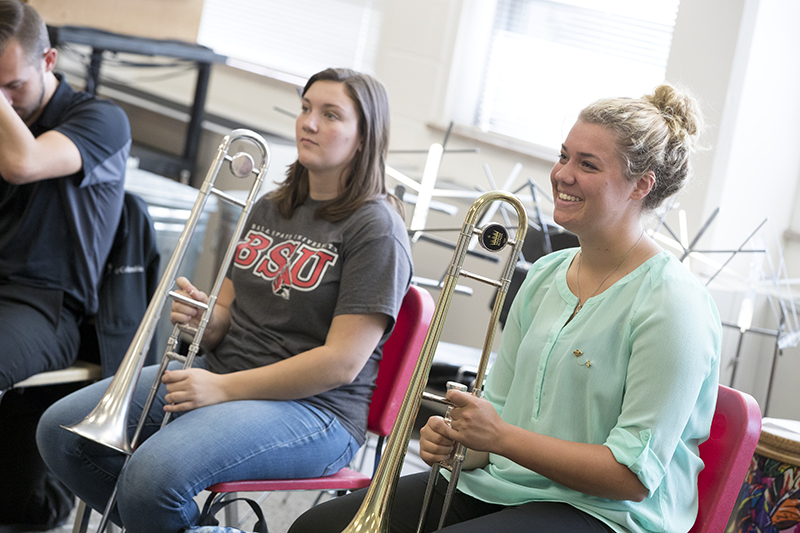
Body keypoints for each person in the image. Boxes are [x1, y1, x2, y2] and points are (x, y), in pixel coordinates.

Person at [289, 84, 721, 533]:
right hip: (504, 486)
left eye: (587, 164)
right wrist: (461, 440)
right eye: (564, 156)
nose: (562, 174)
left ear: (642, 185)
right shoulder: (546, 274)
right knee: (316, 527)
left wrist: (500, 437)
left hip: (606, 514)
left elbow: (630, 476)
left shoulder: (675, 303)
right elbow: (500, 415)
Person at [37, 67, 414, 533]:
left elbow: (340, 363)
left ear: (363, 138)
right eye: (305, 108)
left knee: (152, 477)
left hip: (316, 410)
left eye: (330, 114)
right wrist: (205, 319)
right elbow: (227, 316)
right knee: (60, 432)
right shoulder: (272, 207)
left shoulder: (376, 229)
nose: (308, 123)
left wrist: (223, 389)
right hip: (220, 373)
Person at [0, 0, 131, 528]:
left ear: (49, 60)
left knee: (17, 501)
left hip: (45, 305)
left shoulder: (100, 119)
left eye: (13, 86)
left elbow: (23, 162)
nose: (7, 100)